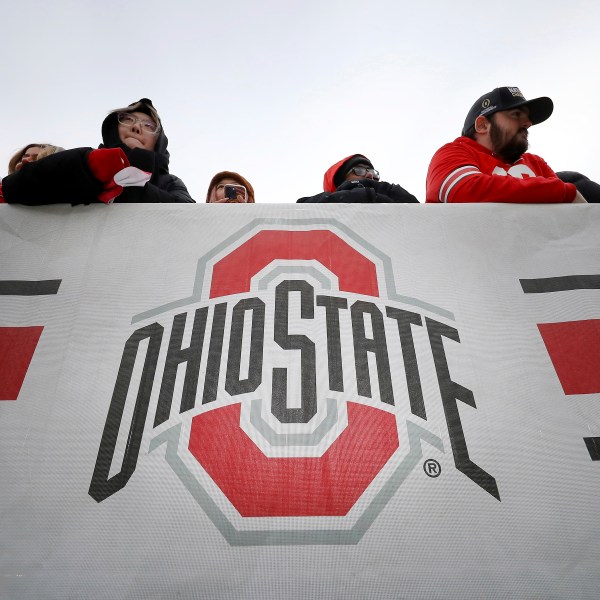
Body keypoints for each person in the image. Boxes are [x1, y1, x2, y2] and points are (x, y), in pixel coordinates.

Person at [1, 98, 194, 204]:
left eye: (149, 126)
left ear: (158, 141)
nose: (136, 128)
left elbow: (186, 214)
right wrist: (92, 169)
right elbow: (15, 189)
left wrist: (121, 185)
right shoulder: (83, 162)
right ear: (114, 128)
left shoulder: (170, 182)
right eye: (127, 119)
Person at [426, 87, 585, 204]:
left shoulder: (535, 162)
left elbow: (567, 211)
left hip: (541, 245)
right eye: (515, 114)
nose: (528, 123)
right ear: (482, 125)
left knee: (579, 181)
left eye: (528, 117)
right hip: (472, 247)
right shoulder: (454, 152)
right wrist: (563, 191)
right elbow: (465, 190)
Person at [297, 154, 418, 203]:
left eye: (372, 172)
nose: (370, 175)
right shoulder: (320, 205)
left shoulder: (399, 198)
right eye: (359, 170)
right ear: (341, 181)